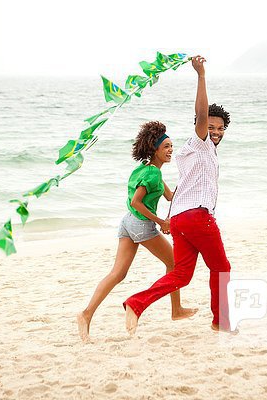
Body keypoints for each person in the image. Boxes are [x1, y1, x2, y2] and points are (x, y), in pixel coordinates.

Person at [123, 55, 237, 334]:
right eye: (211, 127)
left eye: (220, 128)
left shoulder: (201, 152)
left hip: (181, 220)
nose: (216, 132)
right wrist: (200, 75)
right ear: (200, 127)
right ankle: (220, 321)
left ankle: (136, 304)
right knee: (221, 267)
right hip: (197, 217)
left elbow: (179, 191)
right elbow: (200, 115)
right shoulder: (198, 144)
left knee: (181, 275)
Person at [77, 121, 197, 342]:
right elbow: (137, 201)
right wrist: (162, 221)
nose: (171, 150)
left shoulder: (147, 170)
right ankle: (176, 310)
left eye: (172, 146)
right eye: (166, 147)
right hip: (141, 224)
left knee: (117, 273)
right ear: (155, 149)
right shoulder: (152, 174)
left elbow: (171, 197)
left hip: (127, 222)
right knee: (175, 265)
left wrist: (191, 178)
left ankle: (86, 315)